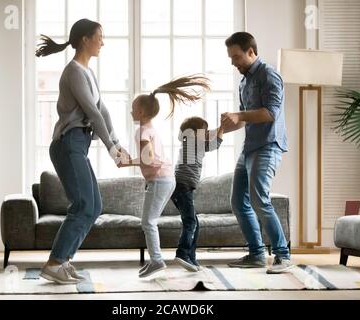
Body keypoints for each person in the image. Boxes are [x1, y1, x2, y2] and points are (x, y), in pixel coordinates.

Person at [35, 19, 129, 284]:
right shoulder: (74, 71)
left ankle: (63, 261)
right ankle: (55, 262)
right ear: (85, 39)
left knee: (95, 205)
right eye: (99, 36)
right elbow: (92, 112)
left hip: (79, 143)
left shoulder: (87, 71)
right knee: (84, 204)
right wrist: (111, 150)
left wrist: (117, 142)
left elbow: (103, 109)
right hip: (68, 143)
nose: (103, 41)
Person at [118, 75, 210, 278]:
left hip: (160, 180)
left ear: (141, 111)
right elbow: (149, 157)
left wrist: (128, 162)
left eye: (133, 107)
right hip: (166, 179)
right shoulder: (149, 128)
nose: (130, 110)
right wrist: (131, 161)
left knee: (148, 222)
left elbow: (149, 160)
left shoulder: (141, 131)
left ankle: (157, 261)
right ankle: (157, 260)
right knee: (149, 221)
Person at [221, 32, 293, 274]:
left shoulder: (268, 74)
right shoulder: (244, 81)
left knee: (259, 199)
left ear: (251, 51)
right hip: (250, 146)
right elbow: (243, 119)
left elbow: (271, 113)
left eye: (237, 57)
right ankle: (256, 254)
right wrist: (222, 128)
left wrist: (240, 115)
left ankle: (283, 255)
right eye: (231, 58)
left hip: (268, 144)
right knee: (238, 201)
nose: (233, 63)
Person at [171, 117, 223, 272]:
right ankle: (182, 253)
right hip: (183, 187)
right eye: (204, 131)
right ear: (195, 132)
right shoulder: (195, 143)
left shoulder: (188, 141)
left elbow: (209, 136)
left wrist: (219, 127)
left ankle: (191, 258)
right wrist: (223, 128)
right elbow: (215, 144)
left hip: (180, 187)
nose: (207, 133)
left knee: (194, 222)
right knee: (190, 222)